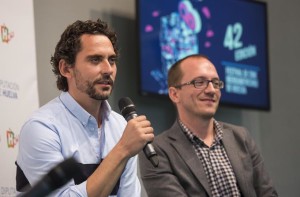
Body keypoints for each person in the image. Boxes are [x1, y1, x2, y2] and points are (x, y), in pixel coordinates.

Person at [16, 19, 154, 197]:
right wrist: (123, 149)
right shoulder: (41, 127)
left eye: (112, 60)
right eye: (95, 60)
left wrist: (124, 146)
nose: (108, 70)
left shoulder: (120, 126)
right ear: (66, 68)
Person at [139, 54, 278, 197]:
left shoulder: (241, 137)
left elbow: (268, 193)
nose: (212, 90)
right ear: (174, 94)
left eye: (216, 83)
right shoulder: (157, 151)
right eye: (199, 82)